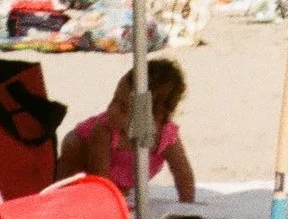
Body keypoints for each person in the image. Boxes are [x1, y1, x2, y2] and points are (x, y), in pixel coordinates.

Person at [59, 58, 197, 205]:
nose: (112, 110)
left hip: (123, 177)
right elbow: (100, 176)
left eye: (124, 108)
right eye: (114, 100)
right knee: (72, 146)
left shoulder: (166, 136)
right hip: (85, 159)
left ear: (157, 117)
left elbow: (184, 175)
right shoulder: (104, 130)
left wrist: (186, 206)